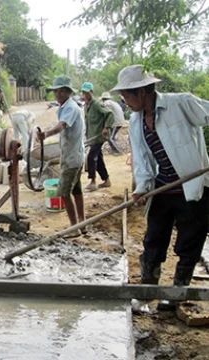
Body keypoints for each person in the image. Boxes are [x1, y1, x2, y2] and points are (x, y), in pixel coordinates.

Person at [110, 64, 209, 310]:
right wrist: (141, 188)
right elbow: (142, 160)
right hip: (163, 187)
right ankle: (146, 291)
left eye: (127, 95)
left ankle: (177, 294)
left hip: (193, 187)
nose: (125, 101)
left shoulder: (181, 104)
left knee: (188, 243)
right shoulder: (135, 122)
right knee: (153, 239)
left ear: (143, 91)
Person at [39, 76, 86, 238]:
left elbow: (62, 125)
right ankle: (82, 222)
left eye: (61, 91)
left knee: (64, 192)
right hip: (74, 155)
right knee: (77, 190)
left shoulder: (71, 108)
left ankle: (74, 228)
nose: (58, 94)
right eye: (56, 91)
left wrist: (47, 134)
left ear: (67, 92)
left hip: (72, 158)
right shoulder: (66, 107)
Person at [81, 82, 115, 191]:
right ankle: (106, 180)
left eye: (87, 92)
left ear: (91, 92)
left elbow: (109, 114)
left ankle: (92, 181)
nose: (85, 95)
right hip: (92, 136)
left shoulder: (96, 104)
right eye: (84, 92)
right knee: (99, 159)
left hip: (99, 136)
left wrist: (106, 127)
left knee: (91, 157)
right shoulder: (86, 106)